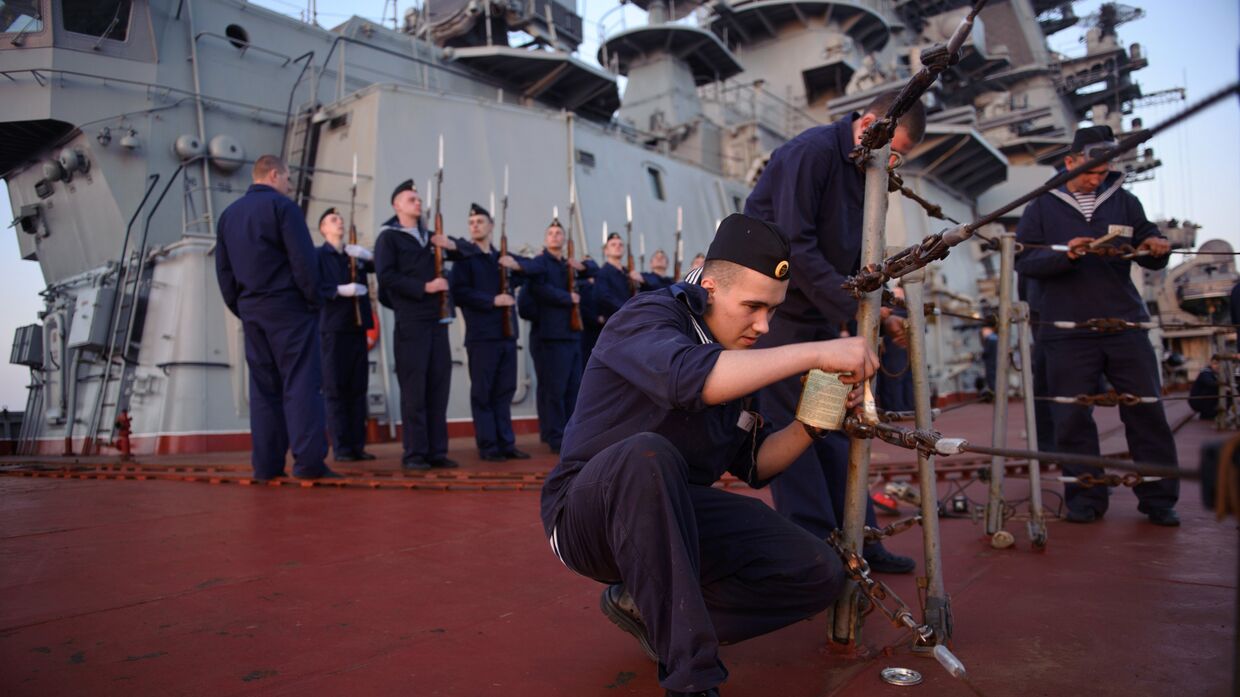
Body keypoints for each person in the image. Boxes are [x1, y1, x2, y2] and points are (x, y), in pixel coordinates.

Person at [541, 214, 879, 697]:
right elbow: (686, 377)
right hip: (586, 516)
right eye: (754, 307)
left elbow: (755, 464)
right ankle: (691, 678)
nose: (764, 325)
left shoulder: (735, 356)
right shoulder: (648, 317)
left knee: (817, 571)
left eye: (774, 310)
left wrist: (813, 422)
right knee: (645, 455)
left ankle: (647, 609)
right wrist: (816, 352)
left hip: (673, 513)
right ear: (712, 286)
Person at [742, 90, 925, 572]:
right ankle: (817, 554)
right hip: (781, 318)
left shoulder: (864, 169)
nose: (891, 164)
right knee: (795, 431)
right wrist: (854, 307)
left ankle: (859, 540)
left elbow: (855, 256)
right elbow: (794, 243)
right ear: (867, 123)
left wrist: (880, 306)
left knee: (836, 426)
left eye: (899, 158)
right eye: (891, 152)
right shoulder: (810, 153)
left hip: (821, 319)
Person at [1015, 124, 1179, 526]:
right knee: (1071, 419)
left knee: (1146, 412)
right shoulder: (1040, 206)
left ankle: (1159, 500)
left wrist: (1157, 247)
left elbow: (1148, 244)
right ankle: (1085, 499)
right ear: (1069, 162)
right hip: (1066, 330)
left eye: (1102, 173)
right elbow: (1024, 262)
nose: (1095, 179)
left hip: (1125, 323)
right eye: (1089, 171)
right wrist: (1067, 256)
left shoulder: (1125, 200)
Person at [214, 155, 338, 480]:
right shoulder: (283, 208)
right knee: (301, 383)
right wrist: (314, 301)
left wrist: (242, 307)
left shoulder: (228, 216)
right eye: (287, 179)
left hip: (252, 312)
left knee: (263, 389)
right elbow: (304, 261)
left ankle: (266, 467)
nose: (289, 185)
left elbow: (224, 273)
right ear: (274, 174)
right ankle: (309, 463)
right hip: (289, 309)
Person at [375, 179, 477, 471]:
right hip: (411, 322)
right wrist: (426, 287)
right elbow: (386, 277)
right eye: (411, 199)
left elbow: (469, 251)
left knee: (438, 386)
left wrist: (451, 244)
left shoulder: (431, 236)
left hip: (437, 321)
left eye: (418, 199)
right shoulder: (390, 238)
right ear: (396, 205)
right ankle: (415, 453)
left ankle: (436, 451)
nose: (417, 203)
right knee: (414, 389)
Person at [449, 203, 532, 462]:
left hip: (507, 335)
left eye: (480, 221)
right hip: (482, 335)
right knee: (483, 393)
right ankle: (488, 446)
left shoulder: (502, 259)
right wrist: (492, 300)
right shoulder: (465, 259)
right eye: (471, 222)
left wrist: (516, 265)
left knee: (504, 391)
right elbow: (459, 292)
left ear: (491, 226)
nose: (475, 225)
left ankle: (506, 443)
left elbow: (531, 271)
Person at [526, 216, 594, 453]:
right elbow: (537, 290)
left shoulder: (569, 265)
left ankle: (569, 433)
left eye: (559, 232)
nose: (555, 236)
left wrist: (582, 266)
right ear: (545, 239)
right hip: (550, 336)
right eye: (551, 233)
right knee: (553, 389)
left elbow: (595, 269)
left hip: (572, 334)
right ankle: (554, 435)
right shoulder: (540, 264)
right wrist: (567, 298)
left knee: (572, 387)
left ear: (564, 239)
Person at [316, 207, 376, 462]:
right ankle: (341, 447)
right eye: (332, 219)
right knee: (336, 388)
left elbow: (381, 267)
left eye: (340, 219)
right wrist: (339, 290)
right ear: (323, 229)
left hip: (357, 327)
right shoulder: (318, 256)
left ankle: (357, 446)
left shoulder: (354, 257)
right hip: (333, 329)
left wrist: (367, 255)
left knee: (358, 388)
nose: (339, 222)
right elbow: (312, 286)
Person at [596, 231, 647, 324]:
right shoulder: (603, 272)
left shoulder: (628, 272)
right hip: (614, 320)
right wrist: (626, 308)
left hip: (631, 319)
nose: (618, 246)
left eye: (620, 244)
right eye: (613, 244)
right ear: (606, 251)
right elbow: (605, 297)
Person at [980, 324, 999, 393]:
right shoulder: (997, 338)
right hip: (997, 361)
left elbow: (986, 352)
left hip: (990, 362)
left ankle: (994, 393)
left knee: (991, 378)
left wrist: (981, 356)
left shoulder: (989, 339)